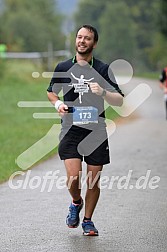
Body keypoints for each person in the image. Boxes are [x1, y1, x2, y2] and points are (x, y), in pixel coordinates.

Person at [47, 24, 124, 236]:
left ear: (94, 43)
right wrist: (58, 105)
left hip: (96, 131)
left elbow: (119, 100)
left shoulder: (102, 69)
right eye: (79, 37)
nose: (82, 41)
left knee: (93, 179)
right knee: (73, 179)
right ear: (75, 40)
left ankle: (88, 221)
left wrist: (103, 93)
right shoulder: (63, 67)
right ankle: (76, 202)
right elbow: (52, 93)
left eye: (87, 38)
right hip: (71, 129)